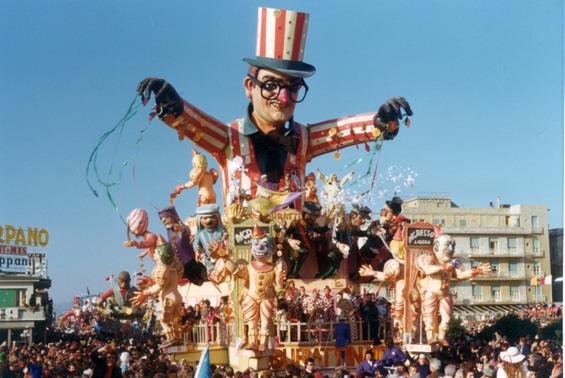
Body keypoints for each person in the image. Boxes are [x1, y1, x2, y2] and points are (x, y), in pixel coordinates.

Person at [137, 7, 412, 211]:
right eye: (271, 85)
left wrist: (378, 122)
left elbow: (338, 132)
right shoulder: (229, 138)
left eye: (293, 87)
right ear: (249, 86)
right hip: (242, 267)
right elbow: (196, 125)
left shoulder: (302, 140)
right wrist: (173, 106)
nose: (283, 98)